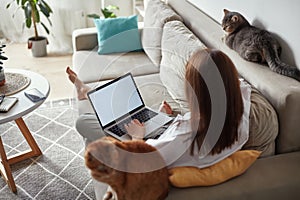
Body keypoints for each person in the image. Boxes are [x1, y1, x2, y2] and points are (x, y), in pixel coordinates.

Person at [66, 48, 251, 168]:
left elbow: (142, 161)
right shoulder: (240, 113)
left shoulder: (183, 135)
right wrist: (167, 118)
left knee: (84, 122)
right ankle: (88, 92)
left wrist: (137, 136)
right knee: (142, 112)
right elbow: (243, 86)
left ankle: (87, 92)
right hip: (171, 130)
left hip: (149, 145)